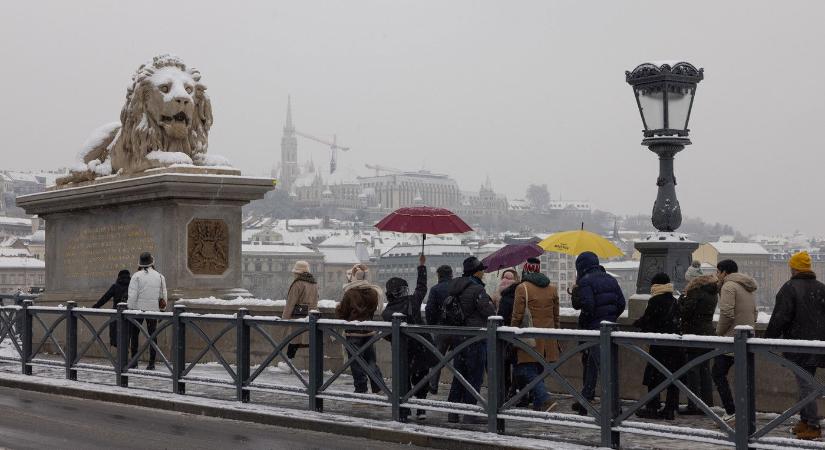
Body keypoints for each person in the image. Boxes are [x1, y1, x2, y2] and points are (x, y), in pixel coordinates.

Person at [765, 251, 825, 440]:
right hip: (818, 345)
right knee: (806, 382)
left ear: (793, 268)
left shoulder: (790, 287)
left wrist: (768, 339)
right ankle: (805, 420)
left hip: (798, 344)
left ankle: (813, 424)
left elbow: (780, 317)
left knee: (805, 384)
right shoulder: (821, 288)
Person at [571, 251, 626, 416]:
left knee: (601, 368)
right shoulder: (610, 278)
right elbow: (621, 303)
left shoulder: (586, 281)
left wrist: (590, 323)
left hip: (595, 331)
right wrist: (609, 318)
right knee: (594, 366)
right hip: (610, 328)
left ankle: (614, 406)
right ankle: (584, 400)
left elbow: (588, 305)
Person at [382, 254, 433, 420]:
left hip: (403, 349)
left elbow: (387, 335)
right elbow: (421, 287)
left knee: (403, 378)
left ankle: (404, 409)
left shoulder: (387, 312)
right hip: (421, 345)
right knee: (421, 377)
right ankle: (421, 408)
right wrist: (422, 266)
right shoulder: (413, 301)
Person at [446, 256, 496, 424]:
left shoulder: (454, 286)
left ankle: (452, 412)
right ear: (477, 271)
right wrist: (492, 304)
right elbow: (488, 313)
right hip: (475, 338)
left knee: (459, 376)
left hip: (458, 337)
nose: (484, 273)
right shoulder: (477, 289)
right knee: (474, 377)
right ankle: (470, 413)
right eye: (482, 270)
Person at [712, 259, 757, 423]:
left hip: (732, 339)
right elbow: (755, 312)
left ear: (724, 272)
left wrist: (719, 332)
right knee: (744, 378)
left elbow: (727, 312)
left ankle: (731, 411)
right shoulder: (746, 286)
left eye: (718, 272)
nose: (717, 275)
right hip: (747, 337)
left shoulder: (728, 286)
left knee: (717, 374)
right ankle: (745, 413)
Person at [511, 258, 559, 412]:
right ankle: (539, 402)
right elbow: (556, 316)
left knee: (524, 369)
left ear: (526, 270)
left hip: (529, 337)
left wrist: (512, 333)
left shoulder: (522, 288)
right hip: (548, 337)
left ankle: (544, 398)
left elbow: (517, 315)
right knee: (538, 368)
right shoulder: (552, 288)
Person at [634, 273, 683, 420]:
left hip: (660, 344)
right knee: (672, 376)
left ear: (655, 286)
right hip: (674, 344)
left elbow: (649, 320)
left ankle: (652, 407)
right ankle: (670, 408)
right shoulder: (674, 301)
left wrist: (638, 323)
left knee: (654, 376)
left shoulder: (655, 300)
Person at [335, 263, 385, 394]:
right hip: (369, 330)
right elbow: (373, 310)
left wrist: (338, 307)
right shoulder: (374, 291)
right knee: (371, 360)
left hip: (353, 332)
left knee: (356, 362)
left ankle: (361, 387)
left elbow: (343, 313)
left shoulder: (350, 293)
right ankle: (378, 386)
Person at [678, 264, 718, 415]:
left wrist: (681, 301)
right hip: (707, 333)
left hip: (694, 334)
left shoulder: (695, 292)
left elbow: (686, 313)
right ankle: (707, 404)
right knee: (705, 370)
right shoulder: (712, 293)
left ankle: (694, 404)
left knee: (693, 370)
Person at [127, 252, 167, 371]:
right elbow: (163, 295)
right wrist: (162, 310)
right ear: (151, 262)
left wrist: (130, 308)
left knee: (134, 335)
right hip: (153, 310)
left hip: (138, 310)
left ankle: (134, 361)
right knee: (152, 336)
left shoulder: (136, 276)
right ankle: (151, 363)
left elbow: (133, 295)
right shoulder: (160, 276)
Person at [424, 264, 453, 394]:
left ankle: (433, 385)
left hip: (441, 327)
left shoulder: (436, 289)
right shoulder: (457, 287)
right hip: (459, 328)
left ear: (438, 275)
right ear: (451, 274)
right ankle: (460, 386)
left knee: (437, 359)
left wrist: (433, 323)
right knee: (460, 358)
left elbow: (429, 309)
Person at [283, 261, 319, 361]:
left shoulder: (297, 283)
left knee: (294, 341)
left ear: (298, 273)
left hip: (298, 316)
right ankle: (313, 366)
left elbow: (290, 302)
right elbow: (316, 300)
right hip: (312, 316)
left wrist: (284, 318)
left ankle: (289, 364)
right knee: (309, 342)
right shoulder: (314, 283)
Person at [495, 268, 520, 402]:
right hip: (516, 333)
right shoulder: (518, 293)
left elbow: (500, 316)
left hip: (505, 334)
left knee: (505, 364)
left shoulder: (503, 296)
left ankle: (507, 391)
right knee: (516, 364)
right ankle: (516, 391)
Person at [92, 269, 131, 347]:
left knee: (116, 335)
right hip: (128, 315)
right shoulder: (131, 286)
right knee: (126, 335)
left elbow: (105, 298)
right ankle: (125, 354)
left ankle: (119, 354)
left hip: (116, 315)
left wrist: (96, 306)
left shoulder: (115, 286)